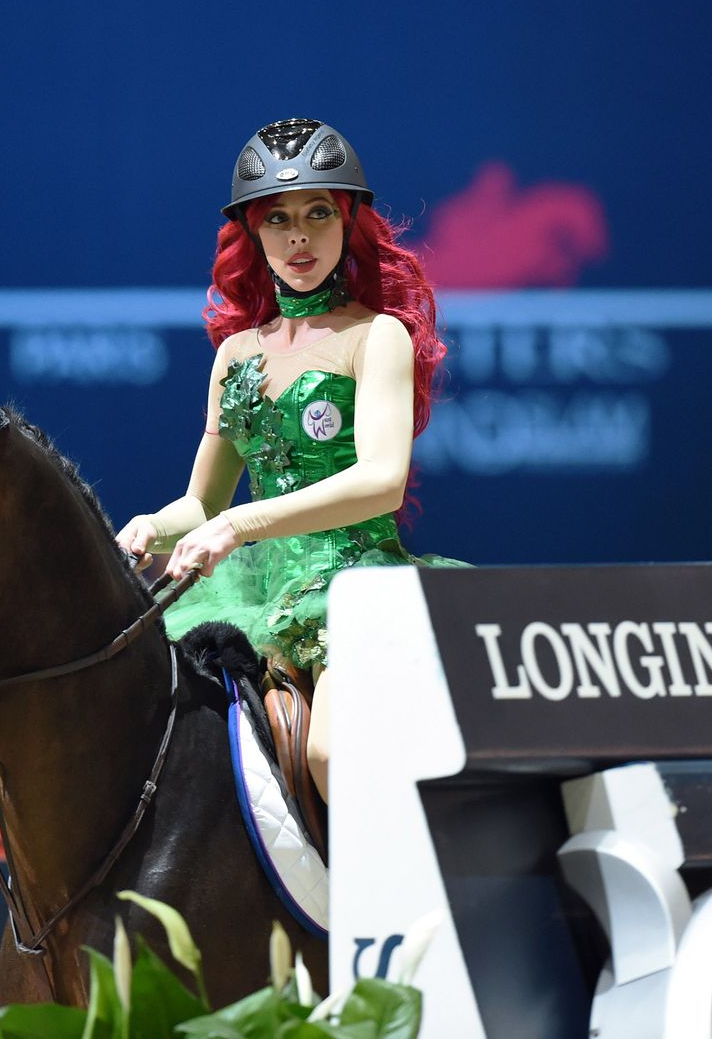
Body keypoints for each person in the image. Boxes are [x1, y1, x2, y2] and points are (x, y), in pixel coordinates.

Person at [115, 118, 466, 802]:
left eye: (317, 214)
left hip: (353, 584)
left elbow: (382, 482)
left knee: (332, 754)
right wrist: (150, 526)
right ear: (252, 231)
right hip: (254, 592)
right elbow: (202, 505)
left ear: (348, 221)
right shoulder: (235, 355)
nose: (298, 236)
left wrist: (239, 527)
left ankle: (378, 905)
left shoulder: (377, 336)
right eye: (277, 218)